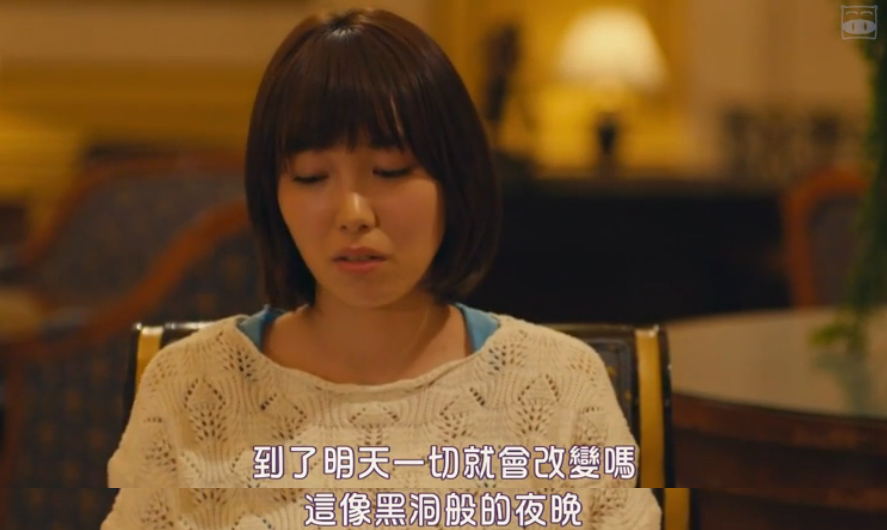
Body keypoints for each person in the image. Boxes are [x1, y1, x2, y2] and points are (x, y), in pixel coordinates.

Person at [102, 7, 661, 530]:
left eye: (390, 170)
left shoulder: (559, 385)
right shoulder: (194, 386)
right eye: (311, 176)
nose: (353, 213)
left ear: (455, 181)